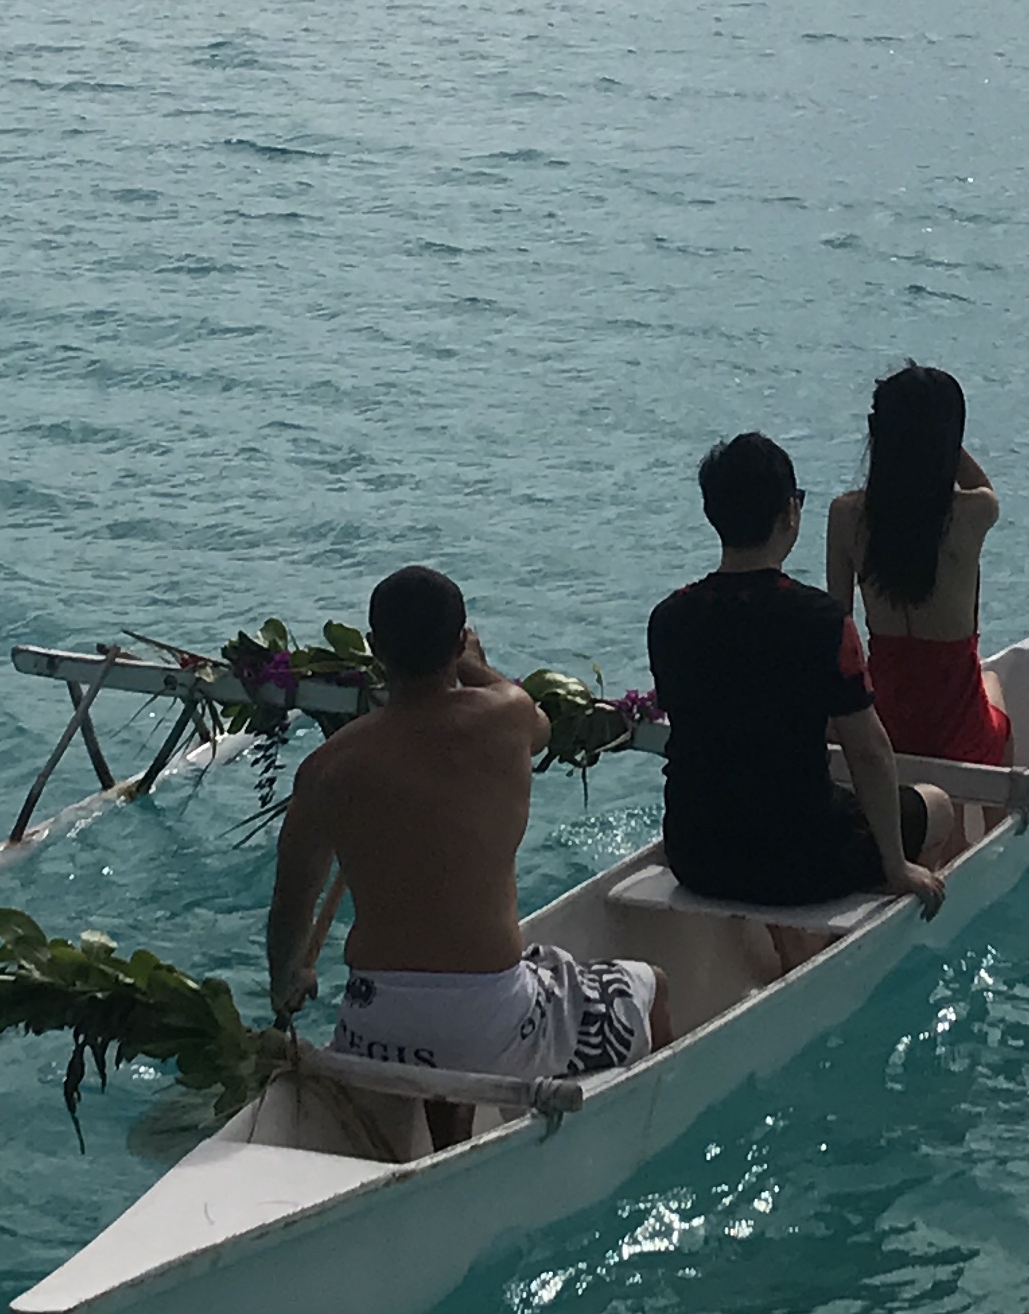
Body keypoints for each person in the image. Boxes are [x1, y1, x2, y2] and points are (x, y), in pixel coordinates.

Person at [267, 564, 663, 1119]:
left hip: (370, 1023)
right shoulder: (509, 717)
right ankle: (654, 1114)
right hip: (490, 1020)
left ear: (377, 649)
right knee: (653, 985)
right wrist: (476, 665)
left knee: (451, 1035)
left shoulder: (325, 769)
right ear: (458, 643)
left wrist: (290, 977)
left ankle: (445, 1139)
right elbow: (537, 718)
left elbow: (290, 907)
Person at [648, 433, 950, 922]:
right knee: (935, 804)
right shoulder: (823, 621)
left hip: (694, 854)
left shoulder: (668, 618)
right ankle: (884, 935)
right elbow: (870, 752)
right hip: (800, 863)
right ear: (790, 512)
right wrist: (895, 865)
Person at [824, 361, 1012, 765]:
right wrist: (943, 442)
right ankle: (994, 812)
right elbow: (983, 486)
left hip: (884, 725)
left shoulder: (845, 515)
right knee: (993, 684)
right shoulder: (974, 512)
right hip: (957, 734)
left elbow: (836, 631)